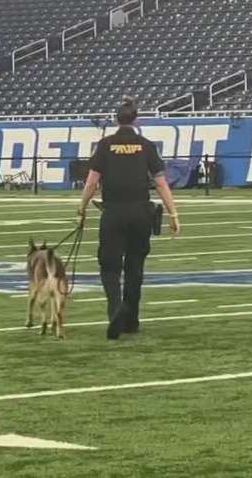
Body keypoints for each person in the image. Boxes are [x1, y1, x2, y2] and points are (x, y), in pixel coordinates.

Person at [77, 98, 180, 340]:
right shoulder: (146, 145)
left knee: (110, 267)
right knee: (135, 267)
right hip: (140, 212)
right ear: (136, 120)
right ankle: (131, 318)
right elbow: (161, 181)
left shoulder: (105, 145)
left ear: (116, 120)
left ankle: (115, 310)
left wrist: (82, 208)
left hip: (113, 212)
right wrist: (174, 213)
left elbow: (92, 182)